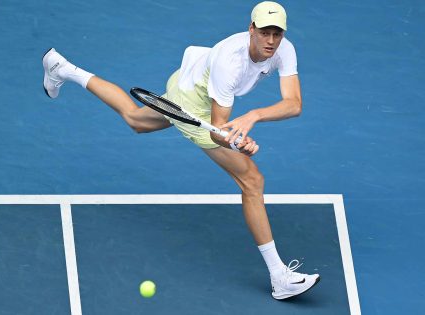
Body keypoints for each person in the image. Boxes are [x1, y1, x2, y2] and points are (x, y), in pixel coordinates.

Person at [42, 1, 320, 300]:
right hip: (192, 101)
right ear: (251, 29)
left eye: (277, 33)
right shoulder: (232, 62)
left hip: (196, 79)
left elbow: (294, 104)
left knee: (137, 120)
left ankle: (63, 68)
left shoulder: (284, 49)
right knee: (251, 180)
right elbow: (218, 129)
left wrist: (252, 116)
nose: (271, 41)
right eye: (265, 32)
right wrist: (240, 143)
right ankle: (280, 277)